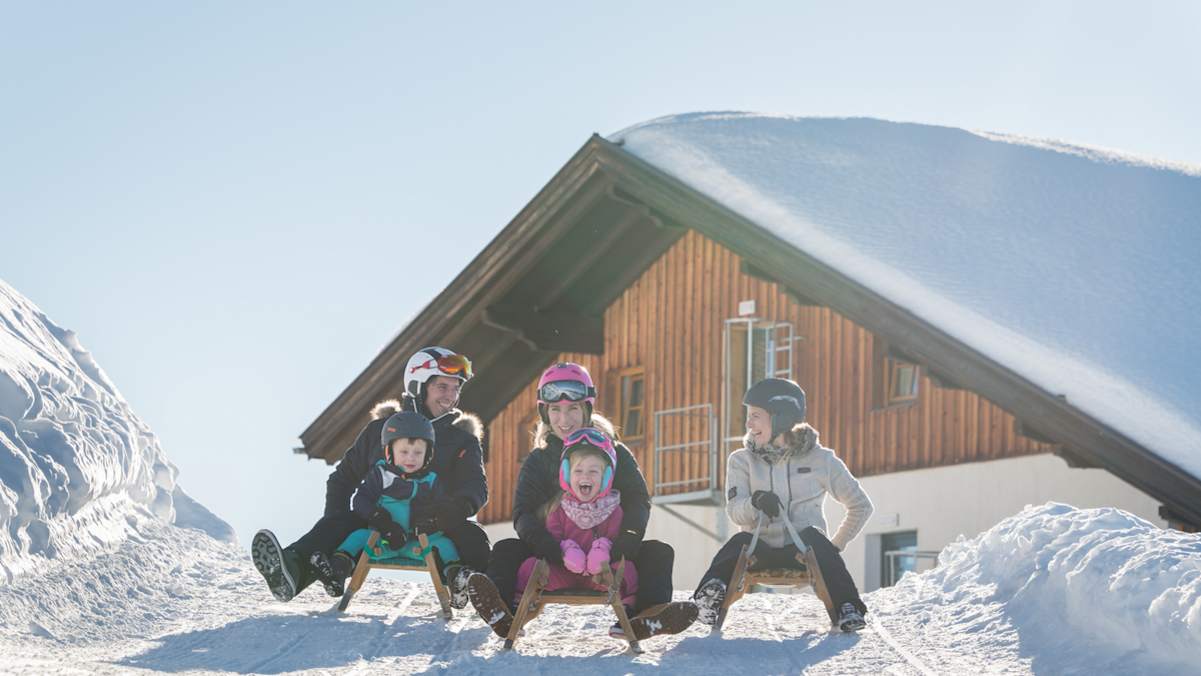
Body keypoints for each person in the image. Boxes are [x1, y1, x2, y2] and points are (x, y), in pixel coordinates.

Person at [466, 362, 697, 640]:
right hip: (553, 553)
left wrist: (621, 544)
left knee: (658, 552)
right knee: (506, 549)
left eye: (573, 408)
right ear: (545, 413)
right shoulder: (539, 460)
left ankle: (647, 618)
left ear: (587, 408)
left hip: (608, 551)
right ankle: (503, 613)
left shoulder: (614, 451)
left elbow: (638, 501)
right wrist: (554, 549)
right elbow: (523, 514)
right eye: (555, 410)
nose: (564, 419)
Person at [252, 347, 489, 609]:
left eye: (455, 388)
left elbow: (475, 486)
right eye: (442, 387)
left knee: (473, 537)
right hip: (382, 525)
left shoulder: (461, 439)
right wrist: (337, 522)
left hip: (435, 527)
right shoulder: (381, 431)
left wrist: (450, 512)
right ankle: (293, 573)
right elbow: (342, 479)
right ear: (418, 387)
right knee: (337, 523)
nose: (450, 396)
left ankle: (484, 593)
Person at [692, 377, 874, 632]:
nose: (748, 423)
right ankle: (707, 599)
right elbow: (735, 511)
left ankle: (848, 607)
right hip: (757, 550)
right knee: (737, 543)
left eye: (755, 415)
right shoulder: (742, 461)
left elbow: (861, 506)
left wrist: (834, 547)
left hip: (803, 552)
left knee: (815, 537)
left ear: (781, 417)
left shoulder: (821, 460)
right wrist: (755, 503)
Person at [308, 411, 461, 595]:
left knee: (445, 544)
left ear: (428, 454)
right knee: (357, 537)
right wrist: (381, 520)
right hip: (382, 541)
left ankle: (456, 581)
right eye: (404, 452)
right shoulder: (381, 475)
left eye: (418, 453)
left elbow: (443, 505)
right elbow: (361, 500)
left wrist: (431, 521)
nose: (411, 458)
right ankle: (336, 574)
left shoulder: (430, 481)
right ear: (390, 452)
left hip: (418, 544)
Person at [511, 427, 637, 608]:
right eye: (578, 471)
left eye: (593, 471)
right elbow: (553, 536)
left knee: (629, 570)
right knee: (530, 567)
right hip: (564, 571)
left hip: (600, 576)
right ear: (567, 475)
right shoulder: (559, 508)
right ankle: (519, 604)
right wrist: (565, 549)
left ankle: (629, 608)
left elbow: (617, 538)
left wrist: (604, 548)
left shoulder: (614, 510)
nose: (585, 476)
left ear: (606, 477)